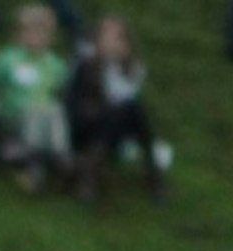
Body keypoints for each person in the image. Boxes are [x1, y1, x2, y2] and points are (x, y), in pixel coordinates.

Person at [0, 4, 77, 184]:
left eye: (41, 32)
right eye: (30, 31)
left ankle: (60, 158)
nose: (35, 37)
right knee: (37, 111)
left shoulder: (55, 65)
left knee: (54, 110)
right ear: (20, 33)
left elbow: (63, 92)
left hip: (44, 116)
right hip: (13, 115)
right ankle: (35, 162)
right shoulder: (7, 59)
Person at [68, 15, 163, 199]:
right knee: (126, 109)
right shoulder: (85, 62)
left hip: (110, 126)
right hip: (84, 124)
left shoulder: (129, 69)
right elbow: (78, 101)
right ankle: (92, 172)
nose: (113, 43)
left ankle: (150, 170)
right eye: (109, 36)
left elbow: (122, 99)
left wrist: (117, 65)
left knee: (133, 109)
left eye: (118, 38)